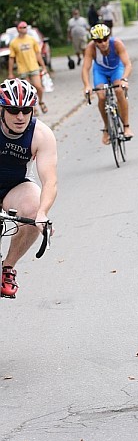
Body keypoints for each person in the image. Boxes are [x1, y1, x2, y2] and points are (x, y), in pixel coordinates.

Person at [0, 78, 57, 299]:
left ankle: (8, 268)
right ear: (2, 109)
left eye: (26, 109)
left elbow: (50, 181)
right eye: (14, 110)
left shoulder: (40, 134)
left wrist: (42, 213)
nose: (20, 116)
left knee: (34, 212)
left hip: (14, 186)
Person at [81, 24, 133, 144]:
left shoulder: (117, 44)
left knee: (119, 90)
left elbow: (127, 64)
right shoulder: (91, 48)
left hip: (116, 69)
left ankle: (126, 126)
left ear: (109, 37)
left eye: (105, 39)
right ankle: (107, 127)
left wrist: (124, 79)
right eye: (99, 41)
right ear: (94, 41)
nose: (103, 43)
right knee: (101, 96)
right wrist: (87, 85)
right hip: (100, 71)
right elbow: (85, 68)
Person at [8, 21, 49, 114]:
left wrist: (43, 66)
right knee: (28, 90)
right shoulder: (14, 43)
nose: (24, 29)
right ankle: (33, 107)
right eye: (22, 27)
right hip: (22, 69)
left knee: (38, 87)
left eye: (25, 27)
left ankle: (41, 102)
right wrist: (10, 73)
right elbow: (11, 58)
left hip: (34, 67)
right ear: (18, 29)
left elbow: (38, 54)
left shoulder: (32, 39)